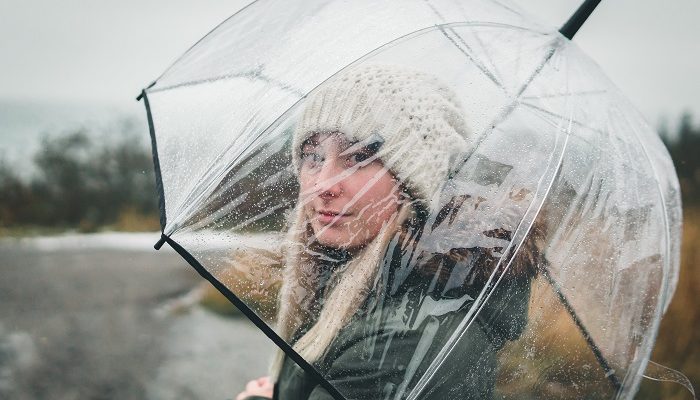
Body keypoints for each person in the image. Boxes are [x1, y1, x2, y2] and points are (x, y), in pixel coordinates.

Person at [236, 64, 540, 400]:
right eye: (313, 157)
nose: (323, 185)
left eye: (359, 158)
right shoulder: (348, 274)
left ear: (413, 185)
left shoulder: (405, 344)